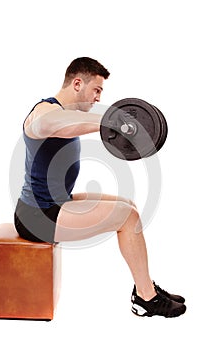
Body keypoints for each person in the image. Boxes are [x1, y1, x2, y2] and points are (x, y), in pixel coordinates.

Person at [14, 57, 186, 318]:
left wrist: (110, 121)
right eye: (97, 90)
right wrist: (109, 120)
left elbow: (68, 122)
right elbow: (44, 124)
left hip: (57, 202)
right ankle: (145, 298)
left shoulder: (68, 116)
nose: (97, 98)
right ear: (77, 83)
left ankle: (147, 286)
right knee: (128, 218)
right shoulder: (44, 111)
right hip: (37, 217)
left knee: (129, 206)